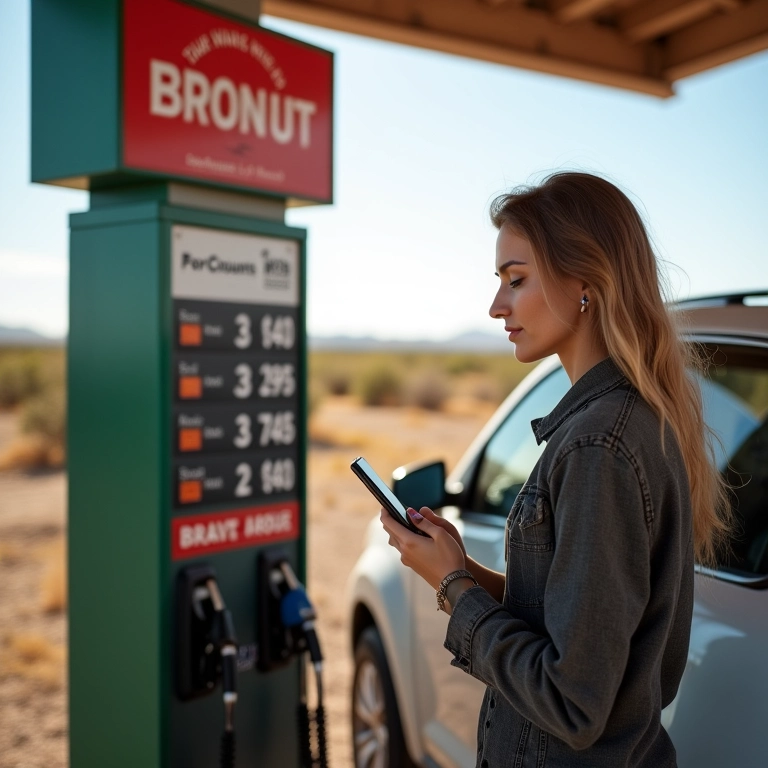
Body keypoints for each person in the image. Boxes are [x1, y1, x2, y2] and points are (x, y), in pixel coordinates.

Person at [379, 171, 731, 767]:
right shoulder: (623, 422)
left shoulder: (599, 446)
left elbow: (573, 702)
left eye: (516, 280)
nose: (496, 306)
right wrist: (461, 567)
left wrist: (451, 587)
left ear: (586, 281)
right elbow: (561, 617)